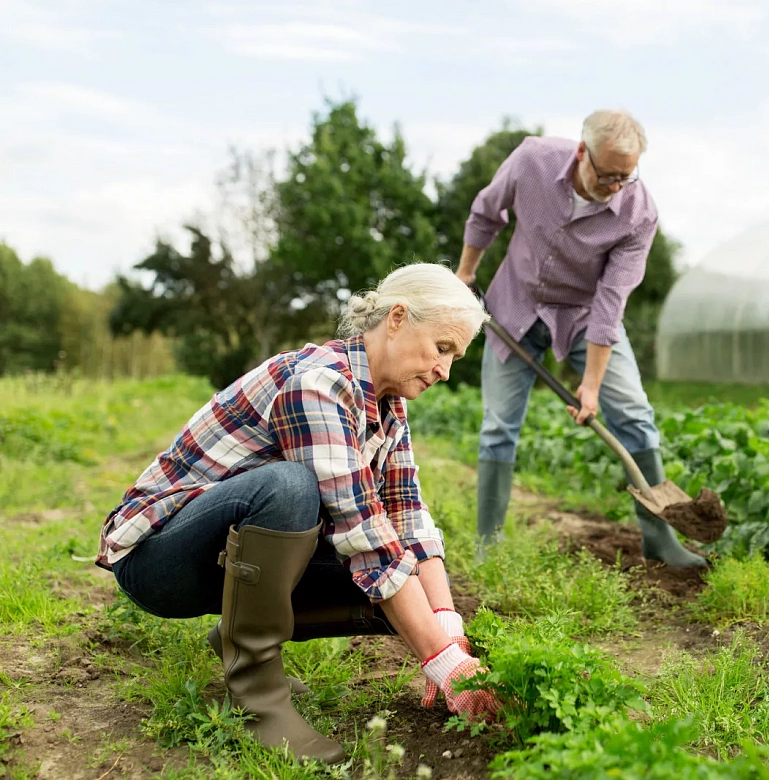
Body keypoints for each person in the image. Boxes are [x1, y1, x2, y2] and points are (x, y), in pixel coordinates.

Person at [96, 263, 502, 764]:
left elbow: (407, 515)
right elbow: (365, 535)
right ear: (397, 318)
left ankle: (238, 639)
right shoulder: (318, 383)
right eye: (442, 348)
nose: (445, 370)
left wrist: (449, 636)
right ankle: (257, 695)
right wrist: (439, 661)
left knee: (403, 589)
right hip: (159, 560)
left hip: (225, 559)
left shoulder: (388, 407)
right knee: (291, 489)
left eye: (455, 358)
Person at [455, 109, 706, 569]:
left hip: (585, 316)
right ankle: (487, 545)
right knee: (498, 426)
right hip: (516, 303)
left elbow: (612, 302)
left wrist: (590, 383)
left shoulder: (638, 213)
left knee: (633, 413)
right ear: (581, 152)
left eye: (624, 178)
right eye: (607, 174)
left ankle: (661, 539)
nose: (615, 186)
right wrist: (465, 275)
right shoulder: (532, 160)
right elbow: (486, 212)